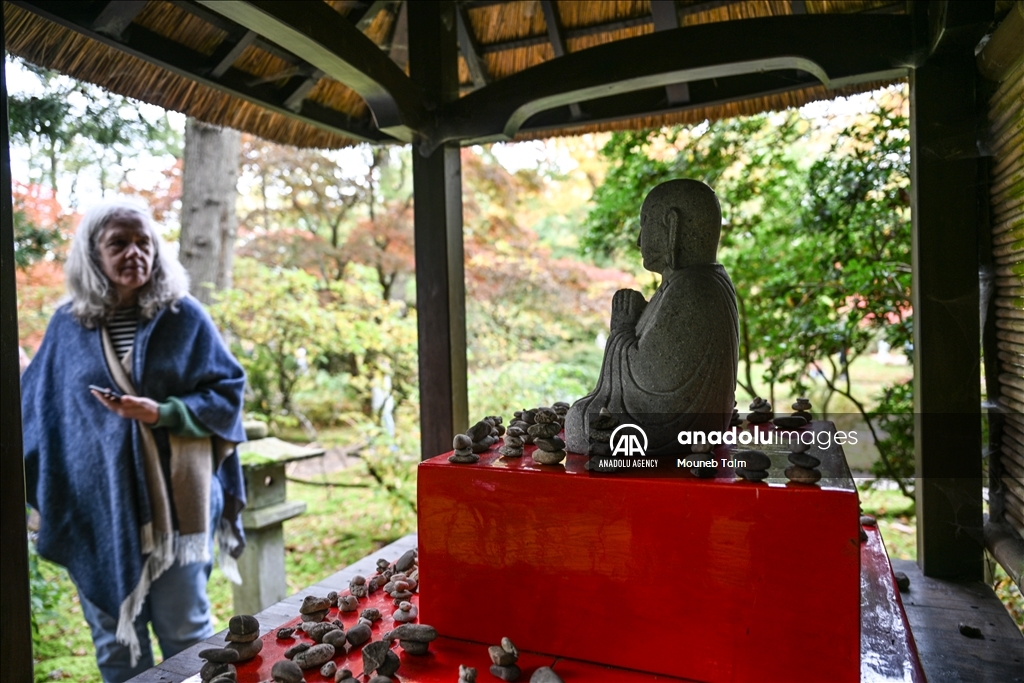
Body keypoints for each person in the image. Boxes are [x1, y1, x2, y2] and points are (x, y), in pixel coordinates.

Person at [21, 198, 248, 683]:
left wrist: (165, 413)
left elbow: (228, 392)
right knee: (115, 647)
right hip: (94, 509)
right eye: (118, 243)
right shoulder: (68, 326)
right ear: (92, 254)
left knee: (186, 635)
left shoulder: (182, 315)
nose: (134, 253)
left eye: (144, 242)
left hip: (178, 510)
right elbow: (37, 413)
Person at [564, 179, 739, 454]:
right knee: (580, 417)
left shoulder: (691, 287)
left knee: (580, 420)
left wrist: (621, 329)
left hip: (670, 429)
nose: (638, 240)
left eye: (645, 224)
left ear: (672, 225)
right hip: (693, 427)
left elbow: (651, 382)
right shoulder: (697, 282)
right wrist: (640, 319)